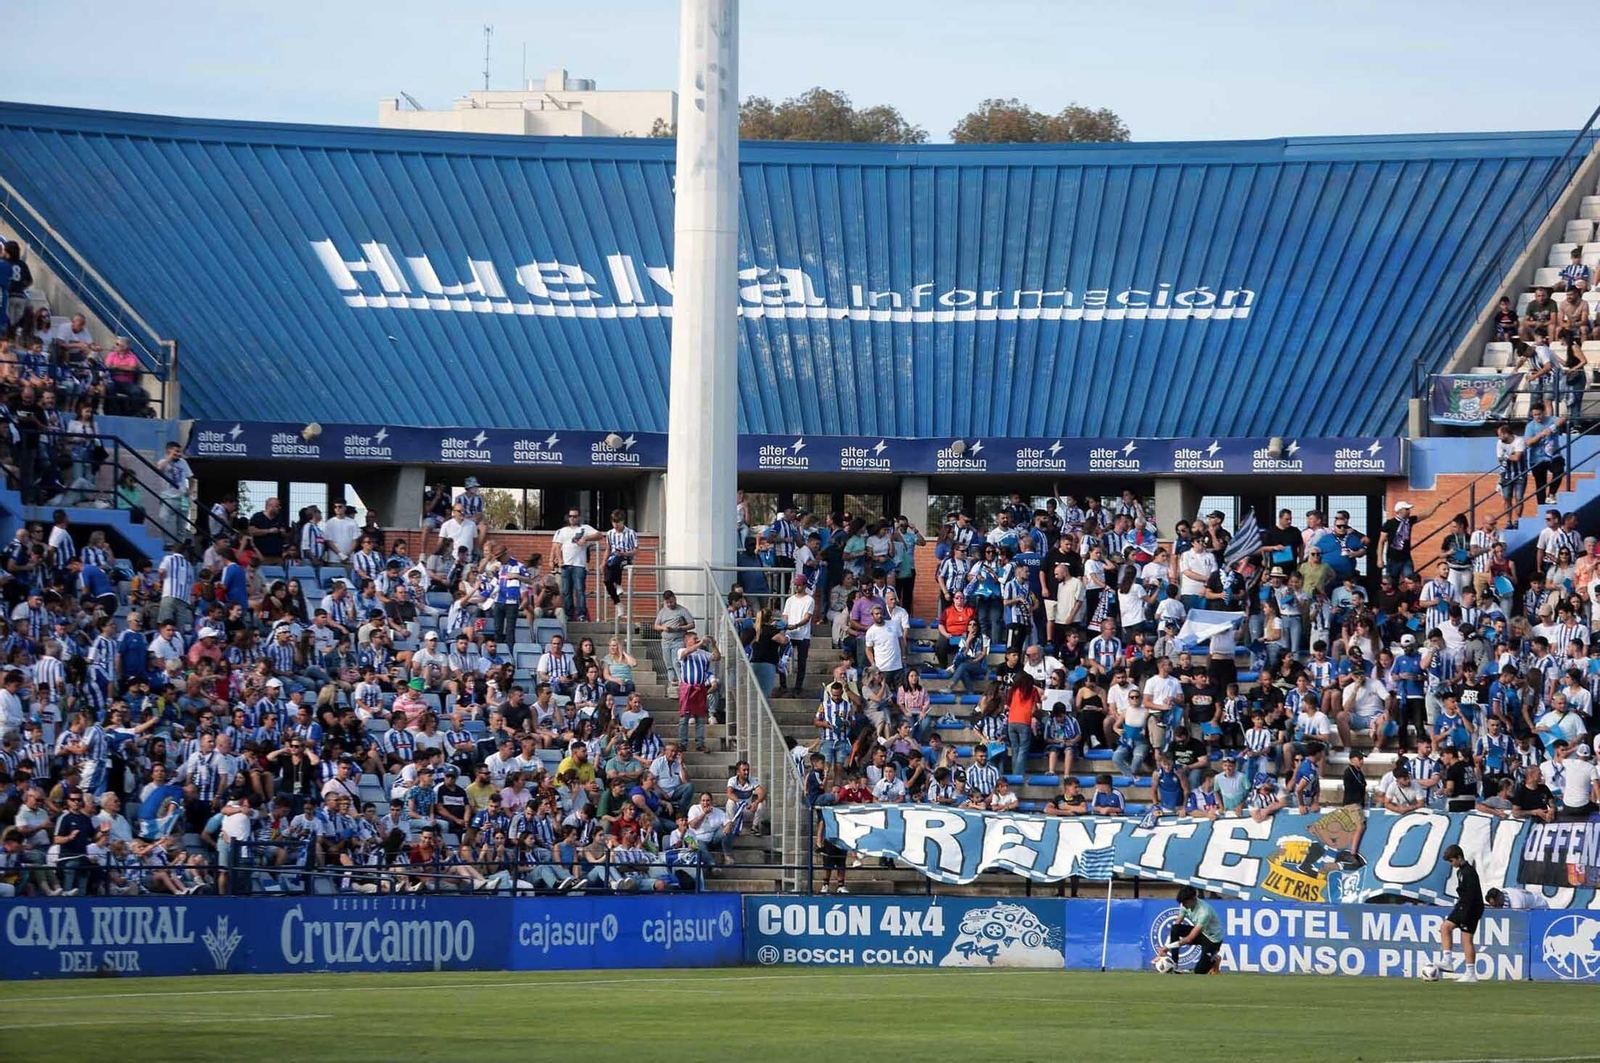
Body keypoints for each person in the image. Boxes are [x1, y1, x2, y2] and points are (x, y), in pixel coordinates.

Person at [1439, 844, 1484, 983]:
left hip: (1471, 909)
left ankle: (1470, 973)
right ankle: (1447, 961)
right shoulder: (1460, 871)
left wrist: (1464, 915)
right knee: (1445, 928)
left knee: (1466, 939)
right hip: (1463, 906)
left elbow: (1471, 896)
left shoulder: (1469, 872)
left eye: (1451, 861)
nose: (1451, 864)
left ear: (1459, 857)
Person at [1158, 886, 1224, 974]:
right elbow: (1177, 924)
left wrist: (1167, 947)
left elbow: (1189, 939)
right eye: (1182, 903)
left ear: (1193, 899)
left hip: (1212, 940)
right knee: (1175, 928)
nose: (1183, 905)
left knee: (1199, 972)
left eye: (1185, 903)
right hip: (1201, 932)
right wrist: (1165, 946)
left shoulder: (1204, 912)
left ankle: (1215, 959)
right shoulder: (1184, 905)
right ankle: (1174, 963)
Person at [1484, 886, 1549, 910]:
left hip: (1541, 908)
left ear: (1499, 898)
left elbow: (1516, 920)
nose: (1494, 906)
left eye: (1495, 904)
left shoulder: (1516, 903)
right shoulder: (1503, 892)